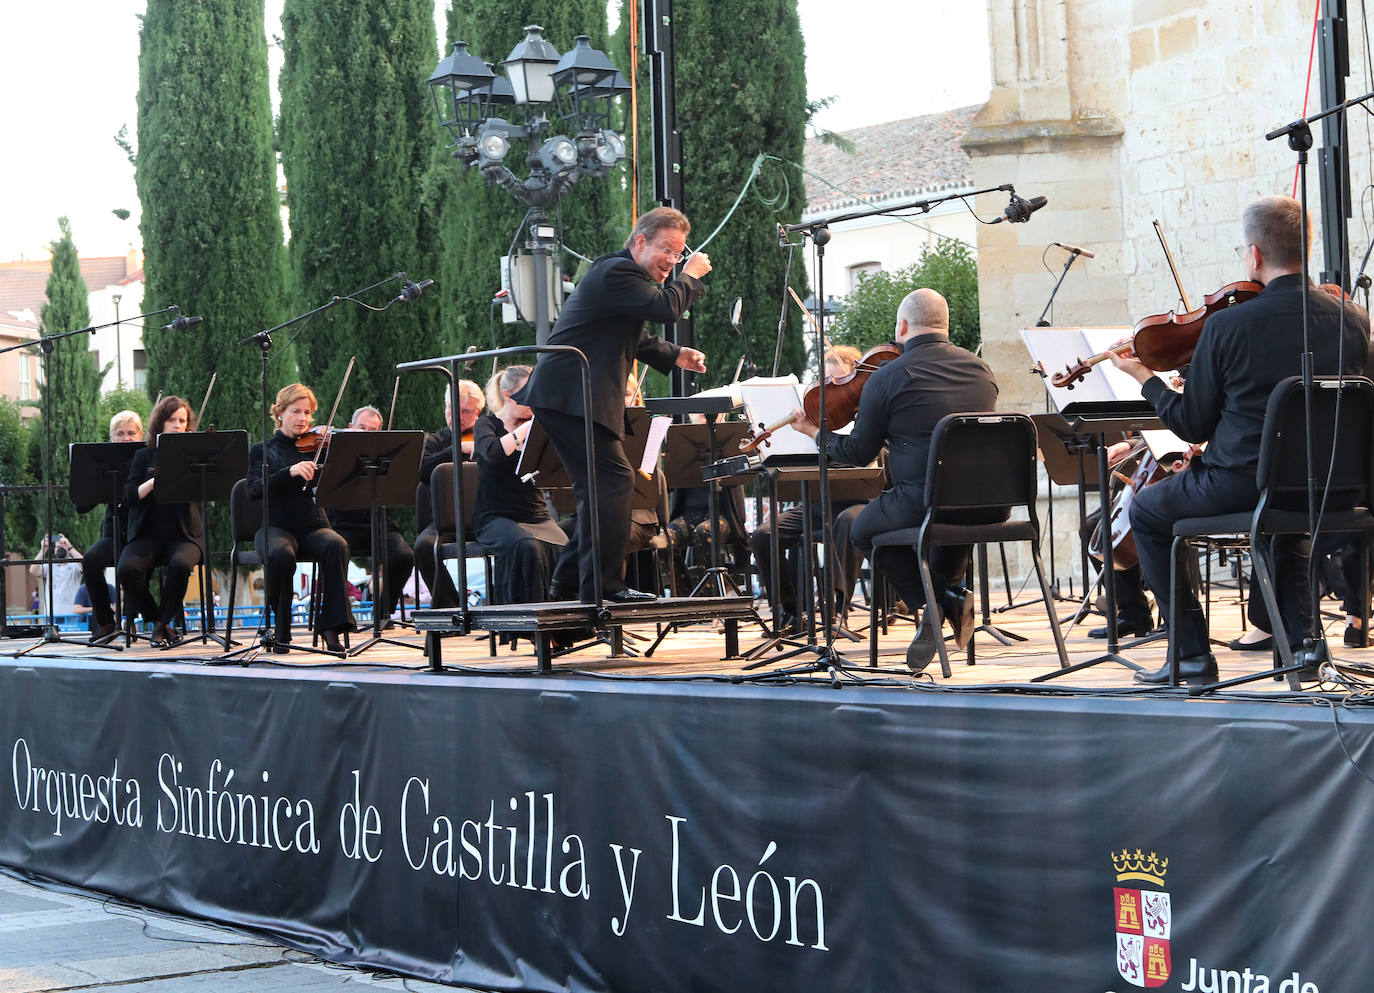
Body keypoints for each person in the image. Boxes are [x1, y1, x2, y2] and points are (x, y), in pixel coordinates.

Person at [1109, 194, 1370, 684]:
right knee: (1286, 523)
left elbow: (1191, 425)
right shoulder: (1353, 319)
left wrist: (1145, 376)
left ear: (1253, 255)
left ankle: (1190, 655)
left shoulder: (1229, 325)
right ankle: (1300, 652)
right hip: (1337, 485)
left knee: (1145, 511)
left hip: (1246, 483)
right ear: (1307, 247)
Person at [791, 288, 999, 671]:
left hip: (921, 500)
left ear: (902, 326)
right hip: (990, 503)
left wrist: (814, 433)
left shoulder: (887, 377)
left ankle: (935, 603)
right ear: (945, 324)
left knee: (860, 529)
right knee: (951, 517)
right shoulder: (980, 369)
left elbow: (856, 453)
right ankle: (947, 594)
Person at [516, 206, 709, 604]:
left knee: (601, 489)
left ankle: (572, 582)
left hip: (572, 396)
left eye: (678, 255)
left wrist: (674, 355)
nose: (672, 262)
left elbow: (631, 337)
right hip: (571, 394)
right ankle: (602, 587)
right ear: (640, 242)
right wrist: (691, 275)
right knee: (614, 483)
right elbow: (665, 309)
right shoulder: (617, 272)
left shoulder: (620, 277)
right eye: (667, 251)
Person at [246, 383, 356, 654]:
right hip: (276, 526)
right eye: (296, 411)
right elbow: (253, 490)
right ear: (280, 413)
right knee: (281, 554)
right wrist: (289, 472)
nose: (303, 418)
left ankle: (331, 628)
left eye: (307, 413)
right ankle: (281, 628)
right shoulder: (263, 450)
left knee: (336, 545)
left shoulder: (317, 446)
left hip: (313, 525)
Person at [472, 366, 567, 604]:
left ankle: (565, 629)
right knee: (527, 547)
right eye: (528, 393)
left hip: (535, 514)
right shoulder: (486, 425)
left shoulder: (540, 427)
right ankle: (529, 622)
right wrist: (529, 428)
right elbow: (493, 453)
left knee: (567, 549)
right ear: (507, 395)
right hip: (495, 517)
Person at [117, 396, 203, 648]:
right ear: (160, 423)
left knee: (179, 565)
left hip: (184, 535)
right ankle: (160, 621)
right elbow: (129, 496)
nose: (177, 425)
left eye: (182, 421)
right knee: (126, 569)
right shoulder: (144, 457)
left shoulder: (193, 457)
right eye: (172, 420)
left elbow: (203, 494)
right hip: (148, 535)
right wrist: (155, 481)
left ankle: (158, 627)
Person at [324, 405, 415, 625]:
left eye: (372, 431)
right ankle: (341, 618)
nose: (365, 434)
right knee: (332, 551)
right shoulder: (334, 453)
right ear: (349, 428)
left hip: (378, 523)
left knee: (404, 555)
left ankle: (383, 612)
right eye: (361, 428)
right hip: (341, 525)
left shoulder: (386, 458)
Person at [414, 380, 484, 607]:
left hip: (485, 517)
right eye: (451, 408)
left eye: (464, 411)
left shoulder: (487, 436)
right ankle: (451, 607)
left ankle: (502, 607)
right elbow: (422, 472)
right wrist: (453, 450)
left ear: (478, 412)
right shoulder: (433, 442)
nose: (457, 415)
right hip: (445, 520)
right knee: (424, 546)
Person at [78, 409, 144, 641]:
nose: (125, 438)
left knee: (135, 564)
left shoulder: (146, 459)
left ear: (140, 435)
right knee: (91, 559)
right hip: (113, 533)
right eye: (120, 433)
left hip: (142, 533)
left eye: (131, 433)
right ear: (112, 437)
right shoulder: (104, 463)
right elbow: (82, 506)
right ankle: (105, 622)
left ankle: (131, 620)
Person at [29, 533, 83, 619]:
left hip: (71, 616)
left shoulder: (75, 566)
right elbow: (33, 570)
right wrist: (44, 549)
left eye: (63, 546)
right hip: (52, 616)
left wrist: (70, 547)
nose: (60, 549)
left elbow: (85, 565)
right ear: (54, 550)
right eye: (57, 547)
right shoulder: (50, 566)